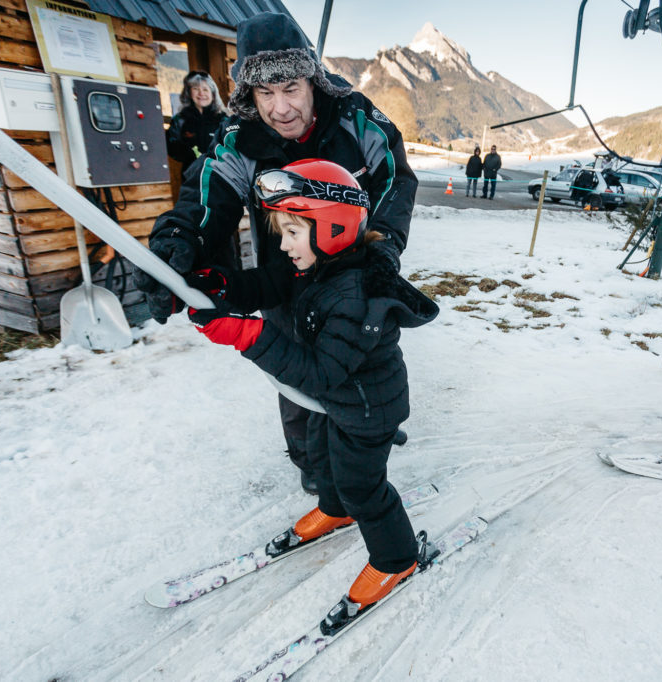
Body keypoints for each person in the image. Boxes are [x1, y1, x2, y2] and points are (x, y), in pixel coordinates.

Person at [134, 12, 418, 495]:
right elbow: (207, 196)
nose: (280, 107)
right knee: (293, 364)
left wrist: (384, 248)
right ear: (249, 95)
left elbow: (396, 180)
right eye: (265, 93)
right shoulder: (240, 138)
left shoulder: (358, 119)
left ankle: (370, 428)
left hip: (355, 271)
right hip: (286, 269)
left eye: (289, 88)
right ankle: (313, 463)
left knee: (364, 354)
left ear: (313, 81)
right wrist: (176, 242)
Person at [185, 159, 439, 622]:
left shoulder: (354, 297)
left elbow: (321, 373)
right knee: (322, 455)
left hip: (368, 409)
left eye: (291, 232)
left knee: (363, 486)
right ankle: (334, 508)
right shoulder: (315, 265)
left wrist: (247, 335)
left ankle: (396, 558)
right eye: (280, 231)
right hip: (337, 403)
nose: (282, 245)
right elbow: (268, 284)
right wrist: (222, 287)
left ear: (332, 227)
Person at [165, 71, 228, 180]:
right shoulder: (180, 119)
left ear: (213, 94)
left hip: (220, 176)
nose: (201, 93)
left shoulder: (223, 119)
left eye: (205, 89)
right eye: (195, 89)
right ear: (189, 93)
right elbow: (171, 145)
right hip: (191, 177)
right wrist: (187, 153)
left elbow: (234, 147)